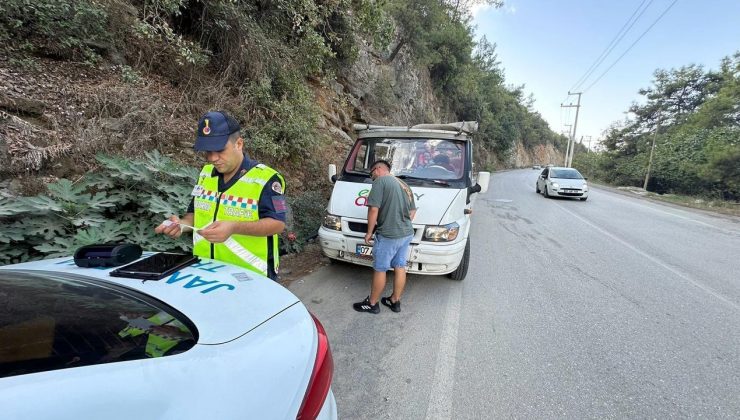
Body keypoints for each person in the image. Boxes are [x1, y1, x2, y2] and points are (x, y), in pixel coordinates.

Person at [155, 111, 287, 280]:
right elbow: (194, 214)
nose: (213, 158)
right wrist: (181, 224)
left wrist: (233, 227)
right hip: (205, 271)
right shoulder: (205, 174)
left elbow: (277, 224)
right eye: (208, 152)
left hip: (252, 277)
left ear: (238, 144)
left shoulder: (266, 179)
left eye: (219, 150)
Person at [353, 159, 416, 314]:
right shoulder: (403, 184)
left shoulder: (380, 182)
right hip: (406, 233)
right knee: (400, 265)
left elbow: (373, 210)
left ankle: (372, 304)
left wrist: (369, 232)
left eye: (372, 172)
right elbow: (413, 211)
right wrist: (401, 223)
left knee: (380, 268)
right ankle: (394, 301)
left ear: (378, 169)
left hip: (389, 235)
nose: (372, 176)